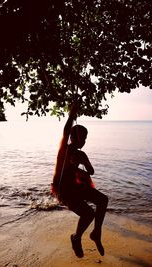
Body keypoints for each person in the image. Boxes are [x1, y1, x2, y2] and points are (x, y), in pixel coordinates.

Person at [51, 103, 108, 258]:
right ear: (73, 137)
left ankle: (96, 232)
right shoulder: (64, 149)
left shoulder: (81, 154)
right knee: (88, 214)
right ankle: (76, 238)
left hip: (76, 187)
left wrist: (84, 162)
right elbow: (65, 131)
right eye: (81, 137)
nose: (83, 141)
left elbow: (91, 171)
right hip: (64, 190)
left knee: (103, 200)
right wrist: (71, 114)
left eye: (85, 138)